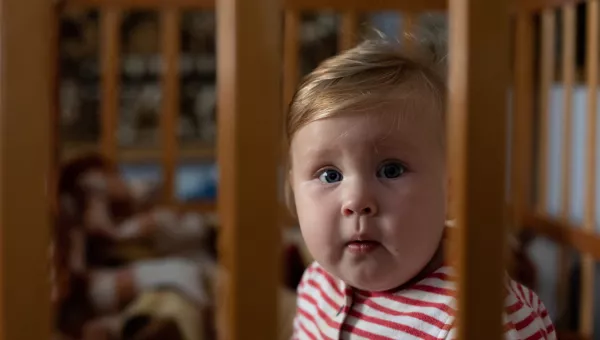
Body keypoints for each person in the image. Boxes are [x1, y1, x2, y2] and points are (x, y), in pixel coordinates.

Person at [287, 36, 556, 339]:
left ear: (452, 190)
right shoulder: (317, 284)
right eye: (329, 175)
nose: (357, 200)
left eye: (391, 170)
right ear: (292, 192)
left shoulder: (477, 316)